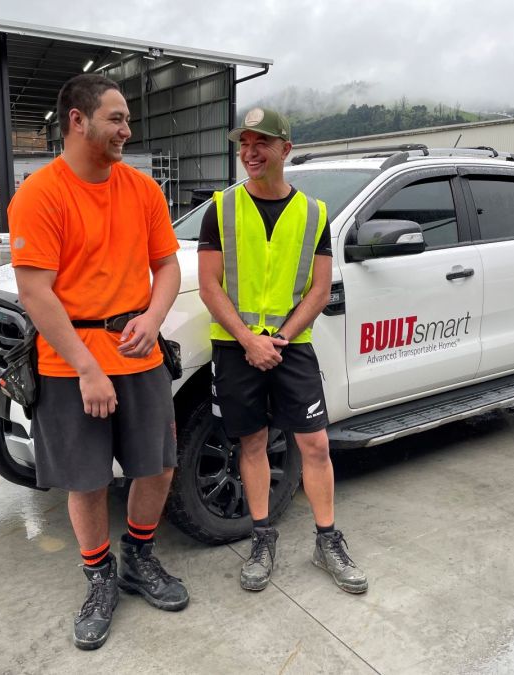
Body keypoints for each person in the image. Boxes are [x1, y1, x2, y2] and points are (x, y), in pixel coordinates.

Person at [8, 74, 188, 651]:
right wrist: (88, 367)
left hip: (139, 351)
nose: (126, 130)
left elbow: (168, 267)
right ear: (77, 121)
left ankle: (138, 558)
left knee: (157, 465)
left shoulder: (141, 190)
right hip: (70, 363)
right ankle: (99, 577)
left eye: (126, 119)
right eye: (116, 118)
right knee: (86, 480)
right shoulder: (40, 195)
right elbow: (36, 292)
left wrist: (154, 319)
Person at [197, 107, 368, 594]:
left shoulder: (314, 213)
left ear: (285, 149)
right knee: (251, 444)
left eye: (262, 142)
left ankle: (327, 540)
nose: (250, 152)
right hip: (236, 347)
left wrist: (282, 339)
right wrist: (250, 340)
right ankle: (261, 538)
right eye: (244, 143)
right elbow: (210, 286)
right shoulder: (221, 209)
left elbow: (319, 289)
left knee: (314, 444)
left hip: (291, 348)